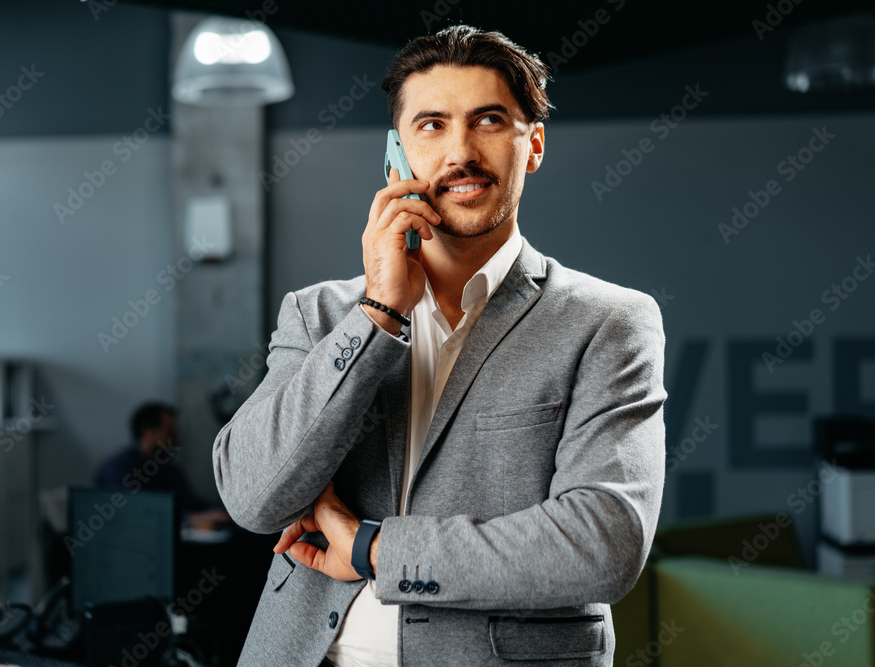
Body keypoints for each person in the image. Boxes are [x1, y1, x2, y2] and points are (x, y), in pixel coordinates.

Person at [213, 24, 666, 667]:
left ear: (531, 145)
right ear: (396, 154)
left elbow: (603, 543)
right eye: (432, 125)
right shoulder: (320, 314)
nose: (460, 151)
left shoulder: (608, 323)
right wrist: (378, 312)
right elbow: (254, 497)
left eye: (488, 120)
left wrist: (372, 548)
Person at [95, 402, 229, 525]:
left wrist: (229, 509)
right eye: (170, 432)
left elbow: (194, 503)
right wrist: (192, 518)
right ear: (149, 433)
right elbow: (135, 513)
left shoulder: (168, 469)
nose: (176, 439)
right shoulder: (118, 468)